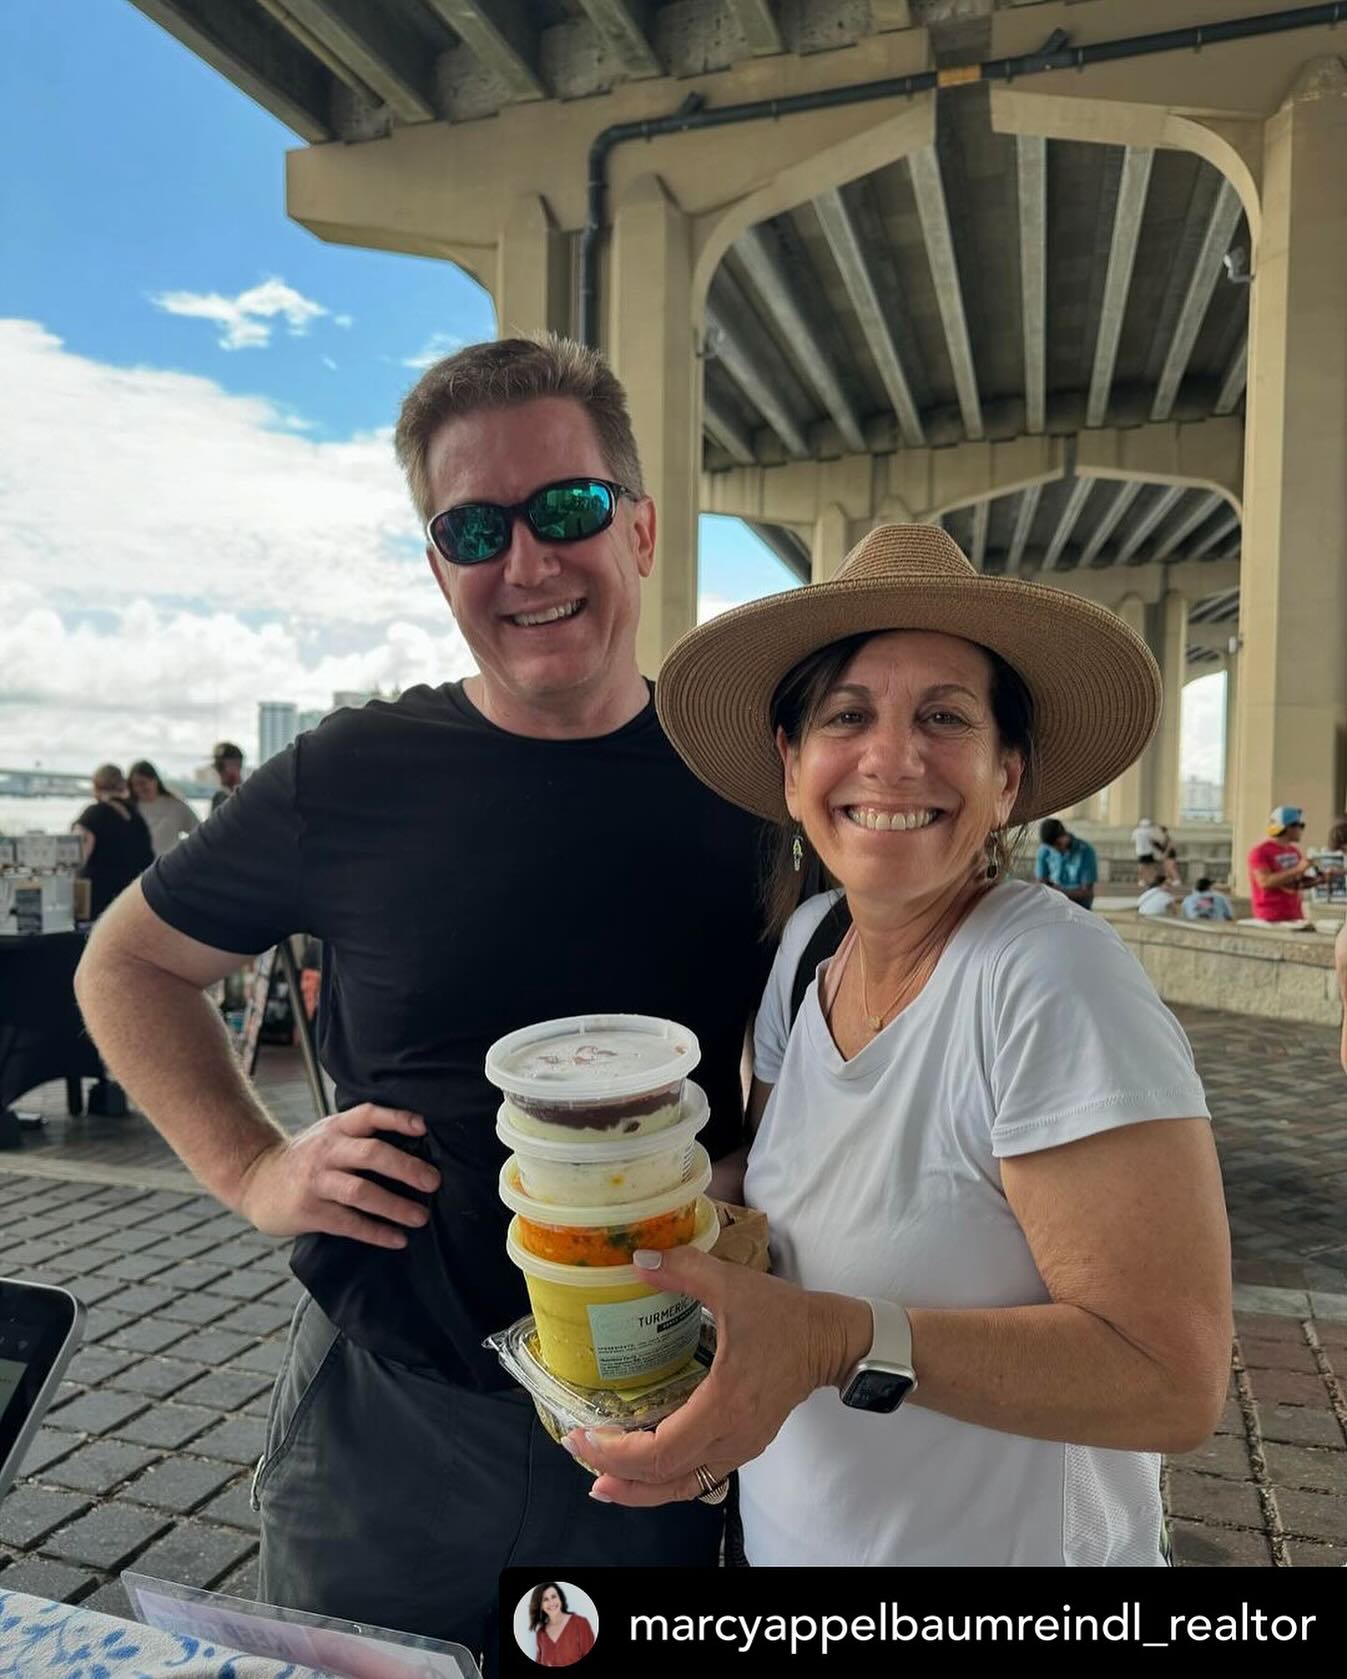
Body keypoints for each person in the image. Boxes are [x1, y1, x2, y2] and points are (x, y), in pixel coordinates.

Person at [73, 336, 769, 1664]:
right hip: (386, 1410)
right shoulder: (353, 770)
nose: (527, 561)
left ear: (638, 527)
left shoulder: (740, 775)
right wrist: (253, 1166)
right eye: (472, 527)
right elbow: (126, 962)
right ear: (436, 561)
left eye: (563, 508)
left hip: (653, 1396)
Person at [574, 523, 1231, 1568]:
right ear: (792, 767)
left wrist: (836, 1338)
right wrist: (640, 1231)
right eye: (847, 714)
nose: (892, 756)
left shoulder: (1050, 982)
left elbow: (1170, 1376)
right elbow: (780, 1178)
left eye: (944, 716)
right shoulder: (808, 946)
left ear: (1007, 775)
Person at [73, 765, 154, 920]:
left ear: (95, 786)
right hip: (132, 900)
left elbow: (76, 858)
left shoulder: (93, 814)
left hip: (99, 902)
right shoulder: (136, 816)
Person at [1247, 805, 1315, 924]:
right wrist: (1298, 869)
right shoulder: (1260, 852)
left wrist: (1322, 879)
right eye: (1300, 825)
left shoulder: (1294, 851)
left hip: (1295, 916)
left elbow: (1297, 883)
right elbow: (1264, 882)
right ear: (1288, 827)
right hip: (1270, 918)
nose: (1302, 830)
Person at [128, 760, 200, 857]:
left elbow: (198, 833)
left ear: (155, 780)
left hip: (170, 866)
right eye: (135, 785)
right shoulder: (128, 809)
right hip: (139, 868)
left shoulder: (176, 805)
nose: (139, 789)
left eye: (143, 783)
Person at [1033, 816, 1098, 909]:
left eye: (1058, 845)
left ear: (1064, 836)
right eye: (1052, 848)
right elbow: (1041, 882)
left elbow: (1087, 892)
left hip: (1078, 903)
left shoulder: (1086, 851)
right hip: (1053, 900)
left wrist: (1059, 891)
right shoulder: (1044, 850)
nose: (1056, 850)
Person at [528, 1584, 594, 1669]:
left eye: (554, 1596)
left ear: (560, 1598)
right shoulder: (541, 1633)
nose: (551, 1602)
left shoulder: (580, 1623)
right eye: (545, 1599)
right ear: (541, 1606)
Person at [209, 741, 245, 811]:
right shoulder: (219, 797)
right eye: (217, 766)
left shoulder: (249, 797)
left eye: (220, 766)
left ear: (236, 764)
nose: (218, 772)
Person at [1131, 816, 1166, 881]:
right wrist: (1161, 849)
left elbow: (1133, 840)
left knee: (1141, 866)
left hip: (1139, 851)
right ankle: (1151, 879)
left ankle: (1141, 880)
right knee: (1151, 866)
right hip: (1148, 851)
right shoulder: (1150, 831)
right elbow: (1154, 841)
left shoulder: (1136, 831)